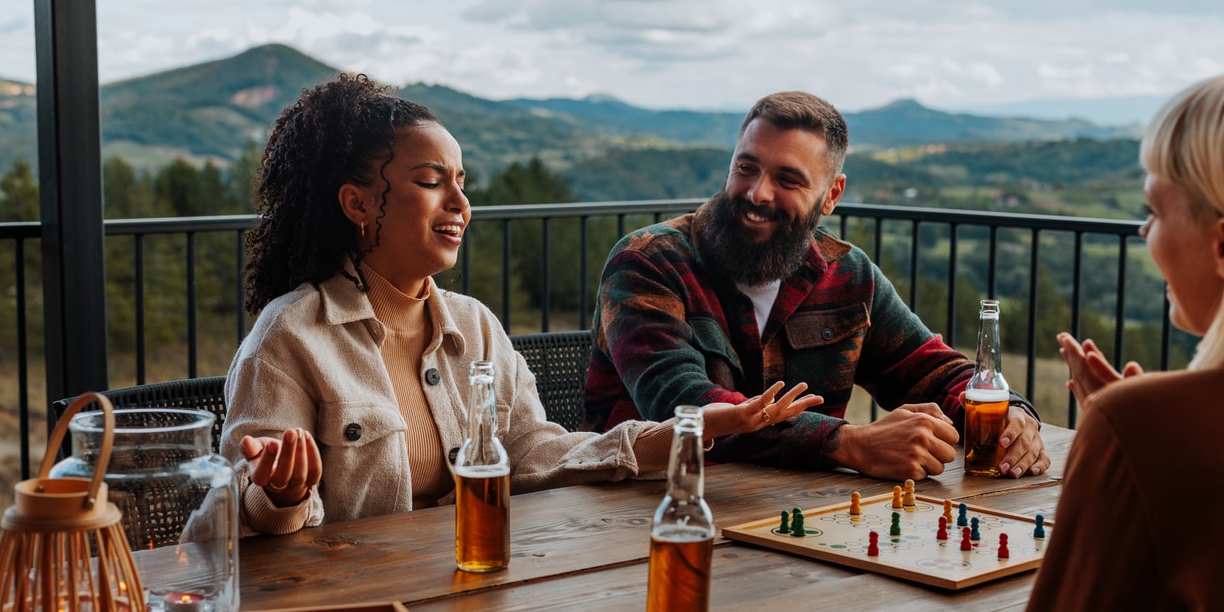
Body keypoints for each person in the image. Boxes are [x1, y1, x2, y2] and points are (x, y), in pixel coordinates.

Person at [222, 73, 821, 535]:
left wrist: (684, 433)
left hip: (477, 583)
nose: (460, 202)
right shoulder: (290, 338)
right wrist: (281, 495)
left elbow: (532, 451)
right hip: (360, 607)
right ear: (356, 204)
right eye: (432, 182)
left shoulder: (474, 325)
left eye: (462, 182)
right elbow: (242, 518)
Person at [584, 90, 1049, 481]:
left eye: (787, 179)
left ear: (831, 195)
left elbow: (931, 371)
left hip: (799, 524)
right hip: (646, 511)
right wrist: (847, 443)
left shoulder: (849, 275)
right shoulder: (646, 263)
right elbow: (683, 405)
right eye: (746, 168)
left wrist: (1009, 418)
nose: (757, 192)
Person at [1008, 73, 1224, 612]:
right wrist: (1133, 459)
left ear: (1223, 243)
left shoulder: (1145, 428)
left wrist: (1127, 441)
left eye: (1155, 211)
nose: (1144, 233)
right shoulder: (1150, 429)